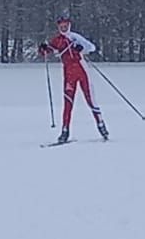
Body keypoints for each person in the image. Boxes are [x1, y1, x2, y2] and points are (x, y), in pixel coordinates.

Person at [37, 13, 109, 143]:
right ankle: (65, 131)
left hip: (82, 71)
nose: (64, 28)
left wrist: (81, 48)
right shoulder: (57, 40)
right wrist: (43, 49)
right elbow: (49, 51)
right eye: (61, 26)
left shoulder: (75, 37)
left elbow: (91, 47)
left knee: (90, 100)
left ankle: (101, 125)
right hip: (68, 73)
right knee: (68, 102)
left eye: (66, 26)